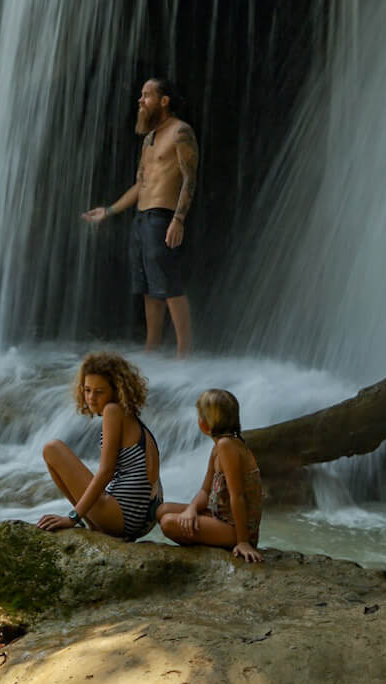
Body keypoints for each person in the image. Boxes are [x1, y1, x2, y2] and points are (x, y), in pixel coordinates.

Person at [83, 77, 197, 357]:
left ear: (164, 100)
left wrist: (178, 220)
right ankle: (152, 348)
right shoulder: (148, 139)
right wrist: (108, 211)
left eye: (146, 95)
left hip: (163, 217)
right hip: (141, 219)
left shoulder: (180, 131)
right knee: (148, 287)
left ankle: (185, 353)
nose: (140, 100)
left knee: (169, 285)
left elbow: (189, 179)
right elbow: (140, 185)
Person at [37, 351, 162, 541]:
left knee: (52, 449)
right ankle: (91, 522)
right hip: (143, 519)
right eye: (87, 390)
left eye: (99, 391)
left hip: (124, 516)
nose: (91, 398)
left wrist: (72, 518)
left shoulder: (113, 411)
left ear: (116, 390)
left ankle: (82, 519)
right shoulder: (133, 420)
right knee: (53, 451)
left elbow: (106, 473)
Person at [157, 388, 263, 562]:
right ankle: (205, 532)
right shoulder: (219, 447)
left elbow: (238, 496)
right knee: (162, 510)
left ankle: (219, 541)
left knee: (168, 523)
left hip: (236, 528)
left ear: (204, 424)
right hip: (219, 515)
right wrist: (190, 510)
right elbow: (205, 491)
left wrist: (243, 541)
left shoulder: (227, 446)